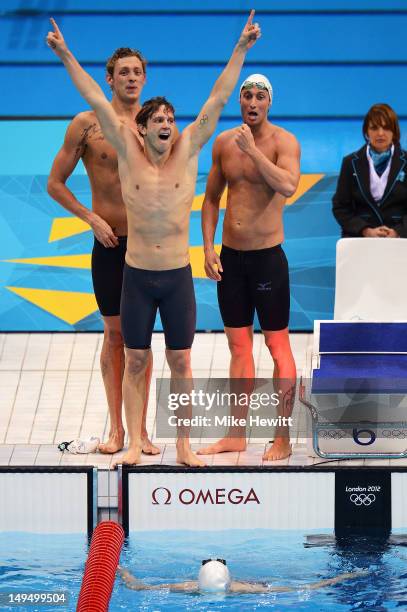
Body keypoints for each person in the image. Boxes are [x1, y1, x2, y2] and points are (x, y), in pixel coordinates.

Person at [46, 12, 261, 466]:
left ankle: (182, 446)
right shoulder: (125, 149)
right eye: (157, 119)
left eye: (171, 118)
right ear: (142, 129)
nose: (166, 123)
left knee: (181, 362)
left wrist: (241, 48)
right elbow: (91, 96)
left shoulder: (188, 151)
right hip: (134, 272)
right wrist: (65, 54)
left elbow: (219, 99)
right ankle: (128, 441)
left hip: (177, 277)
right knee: (132, 355)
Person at [47, 46, 158, 457]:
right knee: (114, 335)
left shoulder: (156, 124)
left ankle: (141, 432)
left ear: (144, 79)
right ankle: (116, 431)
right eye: (123, 72)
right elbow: (55, 183)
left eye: (137, 72)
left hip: (148, 248)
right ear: (109, 80)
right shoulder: (87, 125)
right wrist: (90, 218)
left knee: (141, 342)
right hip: (109, 245)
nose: (131, 78)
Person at [198, 74, 300, 461]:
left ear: (269, 103)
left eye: (260, 96)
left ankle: (283, 437)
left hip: (267, 261)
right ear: (240, 102)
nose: (253, 102)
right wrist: (208, 248)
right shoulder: (224, 143)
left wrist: (254, 152)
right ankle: (236, 434)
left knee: (277, 345)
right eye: (247, 96)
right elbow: (210, 199)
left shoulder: (283, 142)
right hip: (232, 260)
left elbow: (288, 186)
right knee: (238, 347)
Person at [333, 103, 407, 238]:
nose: (380, 133)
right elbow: (340, 207)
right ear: (366, 132)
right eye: (374, 128)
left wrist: (398, 232)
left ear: (394, 132)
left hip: (402, 240)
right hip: (360, 238)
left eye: (386, 128)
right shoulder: (350, 163)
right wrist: (365, 230)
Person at [118, 558, 366, 594]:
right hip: (250, 586)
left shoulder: (189, 587)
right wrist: (344, 576)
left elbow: (140, 588)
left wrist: (122, 571)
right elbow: (308, 588)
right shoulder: (241, 590)